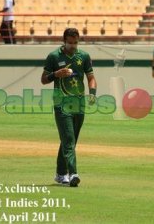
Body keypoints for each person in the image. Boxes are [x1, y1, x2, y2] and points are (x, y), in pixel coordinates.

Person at [41, 28, 97, 187]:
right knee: (69, 140)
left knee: (69, 140)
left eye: (75, 43)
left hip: (79, 104)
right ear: (64, 41)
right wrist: (56, 74)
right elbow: (44, 79)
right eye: (70, 43)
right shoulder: (54, 56)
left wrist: (92, 92)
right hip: (61, 104)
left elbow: (91, 78)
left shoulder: (84, 56)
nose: (73, 46)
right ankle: (73, 174)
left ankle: (60, 174)